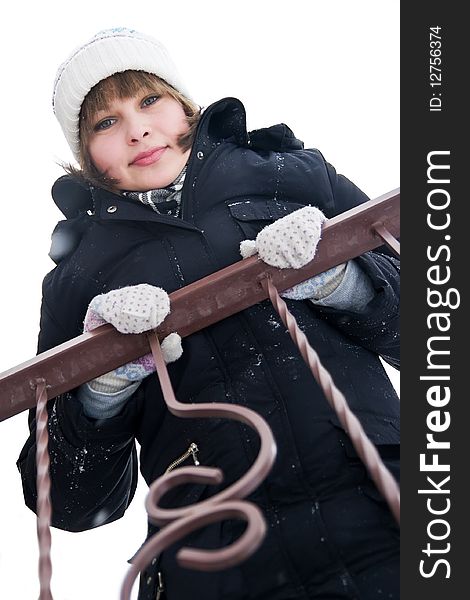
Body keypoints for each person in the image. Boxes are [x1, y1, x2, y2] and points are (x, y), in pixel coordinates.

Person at [17, 28, 400, 600]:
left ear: (184, 105)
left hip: (384, 511)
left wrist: (344, 280)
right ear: (87, 155)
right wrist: (102, 385)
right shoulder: (76, 279)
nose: (137, 129)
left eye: (149, 100)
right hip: (216, 562)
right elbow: (73, 500)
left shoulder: (291, 174)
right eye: (105, 122)